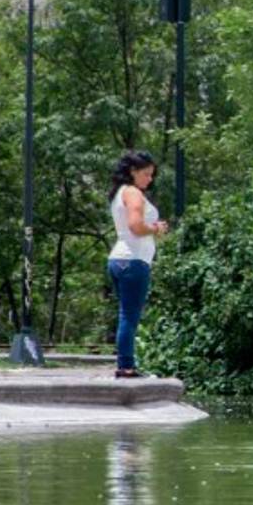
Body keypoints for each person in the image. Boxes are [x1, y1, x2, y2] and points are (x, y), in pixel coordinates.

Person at [107, 151, 169, 379]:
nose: (149, 179)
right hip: (132, 261)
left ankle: (126, 364)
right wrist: (156, 228)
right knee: (129, 316)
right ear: (132, 172)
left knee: (126, 314)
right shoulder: (132, 192)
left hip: (120, 259)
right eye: (146, 174)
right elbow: (135, 226)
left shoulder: (120, 193)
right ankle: (126, 367)